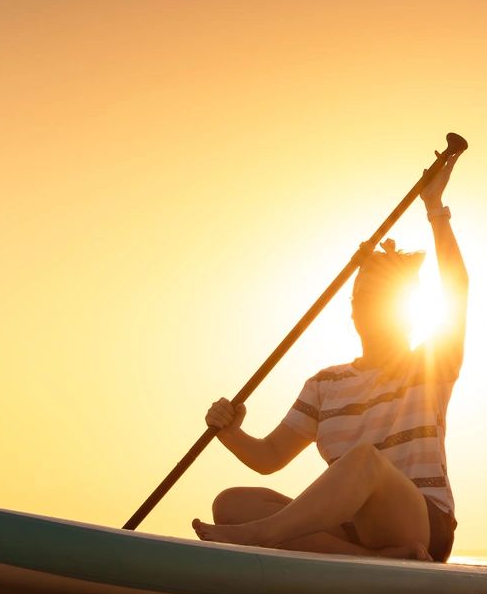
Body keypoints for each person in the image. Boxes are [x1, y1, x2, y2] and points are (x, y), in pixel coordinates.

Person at [190, 174, 466, 561]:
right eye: (361, 296)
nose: (366, 305)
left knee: (364, 459)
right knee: (232, 504)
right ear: (352, 310)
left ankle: (265, 536)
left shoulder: (430, 363)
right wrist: (230, 431)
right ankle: (378, 560)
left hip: (419, 520)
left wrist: (435, 208)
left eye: (380, 297)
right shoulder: (324, 384)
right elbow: (269, 457)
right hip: (353, 530)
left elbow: (457, 287)